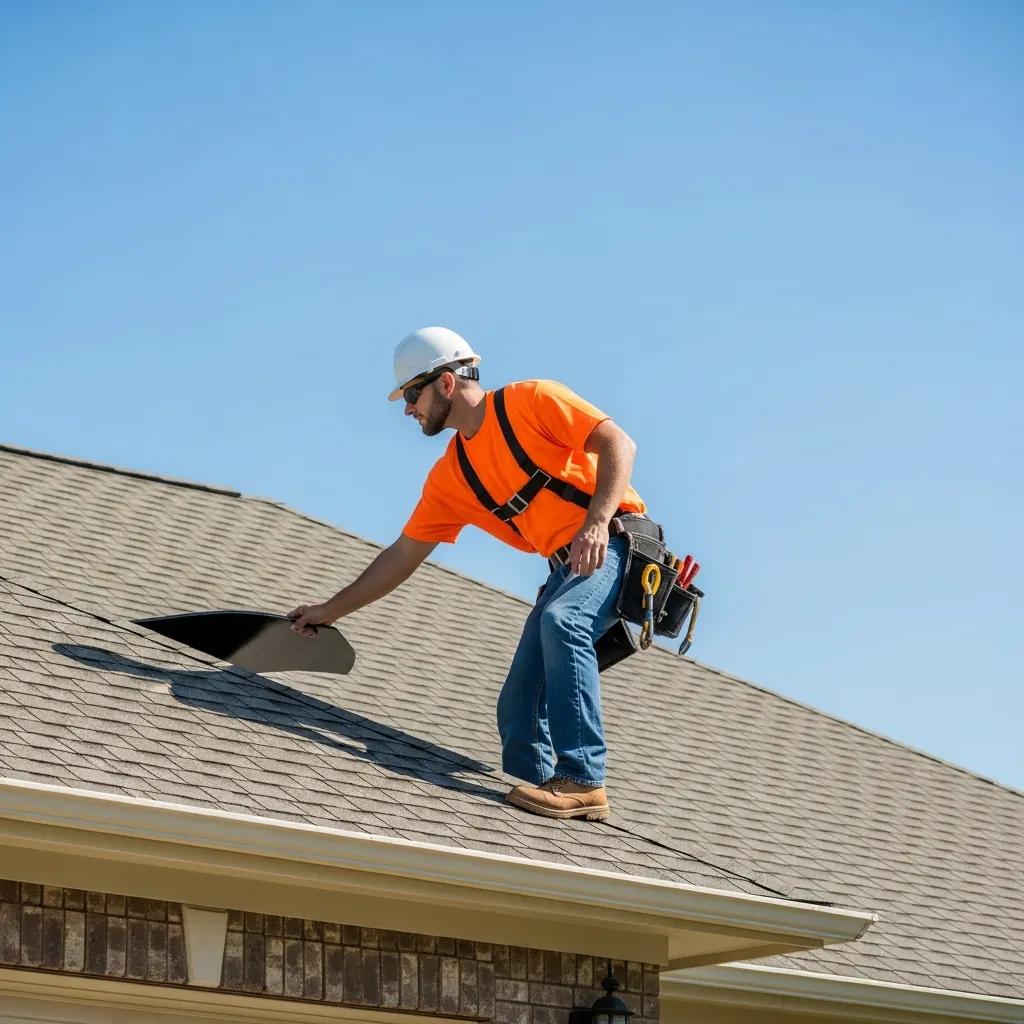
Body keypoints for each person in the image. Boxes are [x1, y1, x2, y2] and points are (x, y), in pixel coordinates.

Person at [289, 326, 647, 821]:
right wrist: (330, 610)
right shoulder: (452, 476)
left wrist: (596, 523)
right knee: (519, 708)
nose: (407, 410)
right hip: (568, 566)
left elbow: (618, 444)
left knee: (563, 621)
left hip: (618, 543)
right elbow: (402, 555)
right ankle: (542, 806)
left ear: (445, 383)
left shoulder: (531, 401)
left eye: (411, 395)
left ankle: (583, 778)